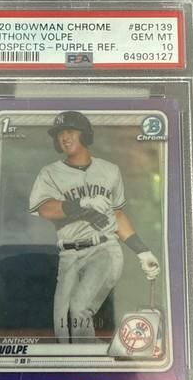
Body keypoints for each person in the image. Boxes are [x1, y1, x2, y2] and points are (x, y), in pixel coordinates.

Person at [29, 111, 160, 343]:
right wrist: (82, 202)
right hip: (68, 254)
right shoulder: (49, 173)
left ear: (85, 134)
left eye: (71, 131)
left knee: (79, 309)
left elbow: (117, 215)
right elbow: (45, 209)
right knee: (62, 328)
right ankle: (91, 358)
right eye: (60, 133)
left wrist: (143, 251)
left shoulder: (110, 170)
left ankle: (89, 359)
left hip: (104, 249)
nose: (65, 137)